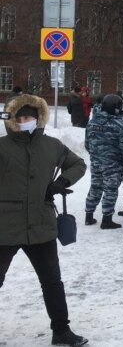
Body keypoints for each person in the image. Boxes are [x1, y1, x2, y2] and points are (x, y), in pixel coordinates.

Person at [0, 94, 89, 346]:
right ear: (13, 120)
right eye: (20, 117)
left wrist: (61, 181)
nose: (25, 120)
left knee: (52, 280)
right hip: (5, 226)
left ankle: (61, 331)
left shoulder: (52, 146)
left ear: (38, 118)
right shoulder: (2, 147)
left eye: (29, 116)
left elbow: (78, 164)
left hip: (41, 224)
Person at [84, 94, 123, 229]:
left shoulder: (92, 122)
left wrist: (96, 155)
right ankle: (107, 219)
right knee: (110, 190)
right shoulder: (119, 125)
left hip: (96, 162)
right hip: (112, 164)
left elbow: (87, 144)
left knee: (95, 187)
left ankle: (89, 215)